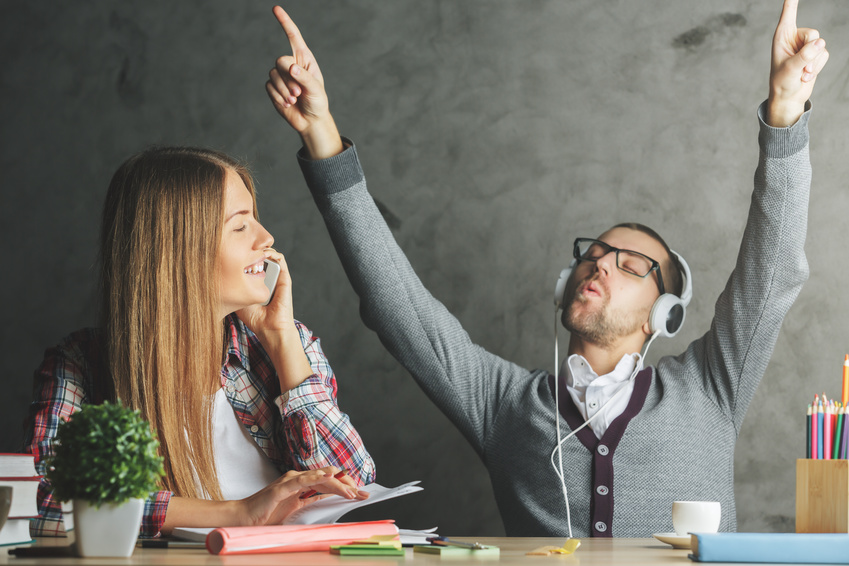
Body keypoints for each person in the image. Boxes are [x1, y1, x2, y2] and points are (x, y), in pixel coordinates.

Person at [265, 0, 827, 537]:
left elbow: (772, 272)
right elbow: (397, 306)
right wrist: (321, 135)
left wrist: (783, 113)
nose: (599, 265)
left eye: (631, 265)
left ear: (664, 313)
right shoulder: (504, 403)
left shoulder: (710, 387)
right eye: (592, 254)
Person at [23, 146, 376, 538]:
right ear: (177, 251)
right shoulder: (79, 366)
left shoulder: (290, 344)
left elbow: (354, 484)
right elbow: (45, 501)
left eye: (255, 219)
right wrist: (237, 514)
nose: (266, 237)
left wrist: (281, 340)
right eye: (240, 226)